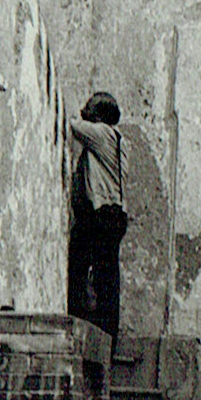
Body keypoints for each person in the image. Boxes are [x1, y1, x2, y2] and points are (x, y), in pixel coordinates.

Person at [68, 92, 127, 345]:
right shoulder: (120, 140)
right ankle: (107, 337)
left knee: (80, 267)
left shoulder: (101, 133)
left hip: (101, 214)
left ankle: (80, 324)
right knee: (107, 277)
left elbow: (73, 126)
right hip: (114, 214)